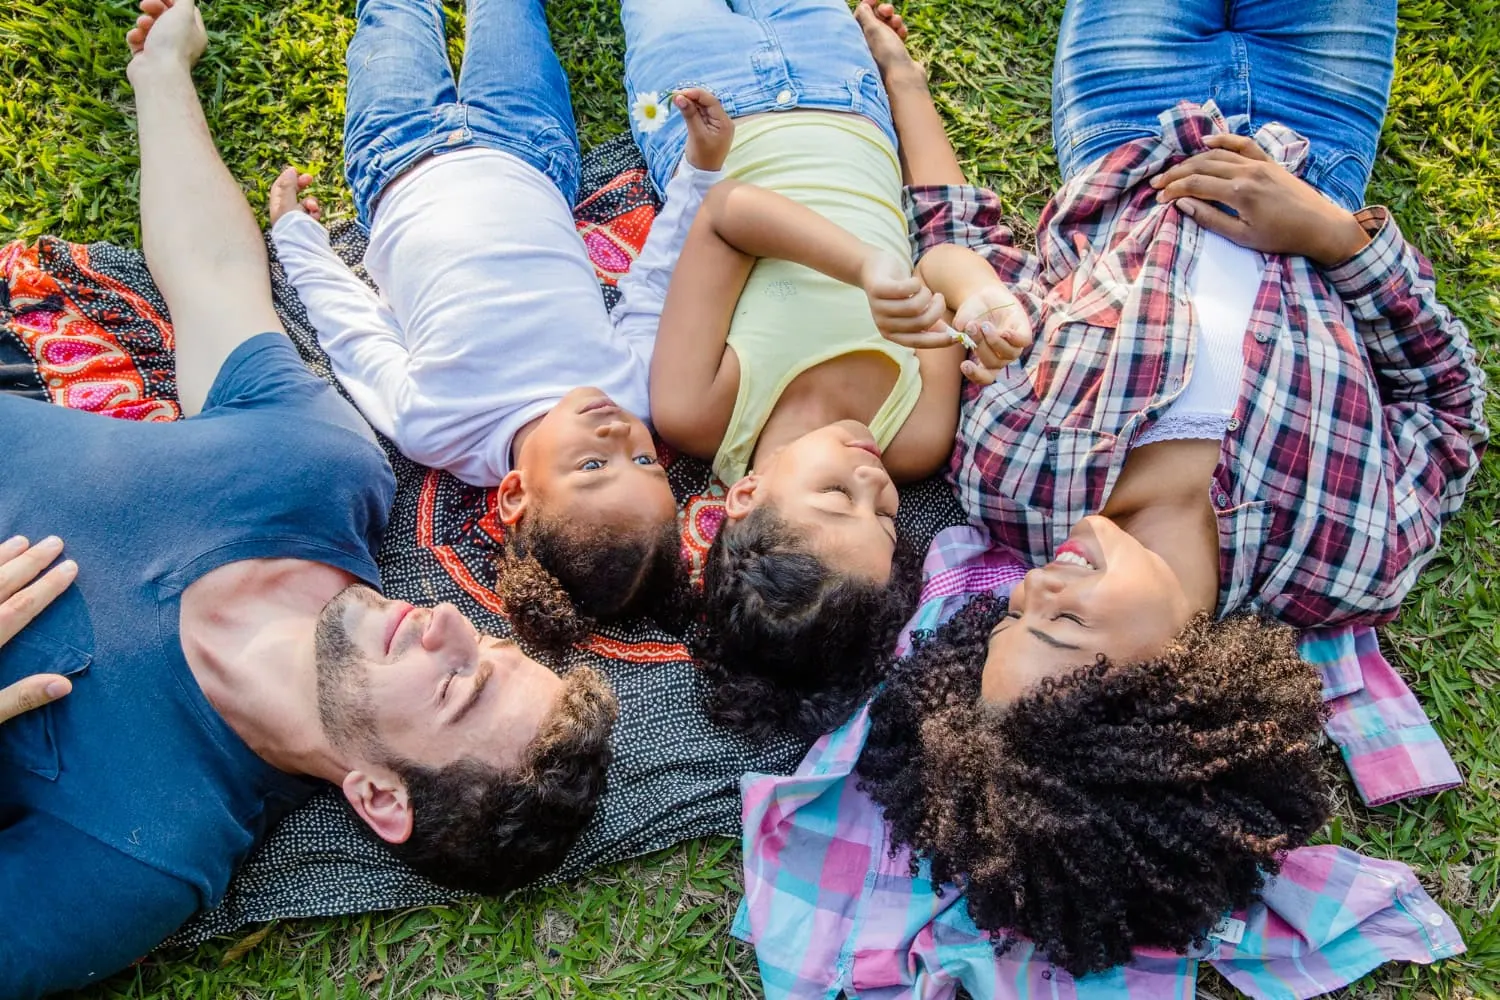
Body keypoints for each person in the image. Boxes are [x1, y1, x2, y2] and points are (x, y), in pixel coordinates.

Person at [851, 0, 1487, 977]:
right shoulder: (1344, 561)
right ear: (1176, 689)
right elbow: (1447, 405)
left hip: (1129, 110)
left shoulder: (1013, 475)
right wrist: (1332, 236)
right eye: (1063, 624)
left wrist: (904, 83)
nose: (1033, 586)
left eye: (1013, 616)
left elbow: (959, 236)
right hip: (1321, 133)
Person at [0, 3, 614, 996]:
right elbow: (213, 282)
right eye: (488, 645)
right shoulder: (320, 473)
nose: (448, 625)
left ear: (379, 797)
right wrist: (163, 74)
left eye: (458, 687)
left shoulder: (145, 850)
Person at [269, 1, 738, 662]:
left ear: (515, 492)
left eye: (593, 465)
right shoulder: (633, 393)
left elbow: (355, 332)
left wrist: (295, 237)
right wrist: (702, 171)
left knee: (394, 15)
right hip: (528, 146)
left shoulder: (438, 426)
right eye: (644, 462)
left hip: (396, 159)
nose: (621, 437)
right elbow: (658, 280)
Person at [618, 0, 1033, 739]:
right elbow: (939, 258)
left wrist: (866, 267)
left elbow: (728, 213)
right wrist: (981, 301)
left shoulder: (698, 408)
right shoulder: (914, 435)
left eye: (840, 496)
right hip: (849, 95)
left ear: (745, 494)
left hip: (713, 103)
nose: (875, 481)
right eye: (886, 518)